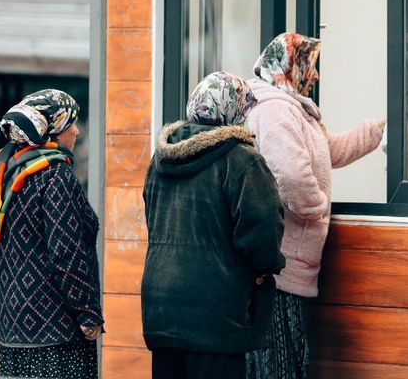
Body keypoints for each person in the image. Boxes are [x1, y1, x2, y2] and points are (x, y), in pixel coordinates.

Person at [243, 33, 384, 379]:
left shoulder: (294, 109)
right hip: (278, 269)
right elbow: (291, 177)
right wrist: (317, 209)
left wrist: (379, 129)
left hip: (293, 267)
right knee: (279, 365)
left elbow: (330, 150)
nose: (316, 75)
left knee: (291, 359)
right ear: (290, 67)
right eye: (310, 65)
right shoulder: (273, 110)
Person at [142, 71, 285, 379]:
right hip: (216, 311)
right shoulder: (242, 160)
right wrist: (265, 268)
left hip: (161, 306)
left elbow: (153, 220)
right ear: (233, 109)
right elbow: (262, 230)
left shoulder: (161, 159)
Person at [0, 89, 103, 379]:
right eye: (71, 123)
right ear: (54, 130)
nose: (77, 131)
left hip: (12, 327)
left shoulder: (6, 171)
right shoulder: (55, 175)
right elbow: (66, 253)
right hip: (54, 333)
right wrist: (87, 313)